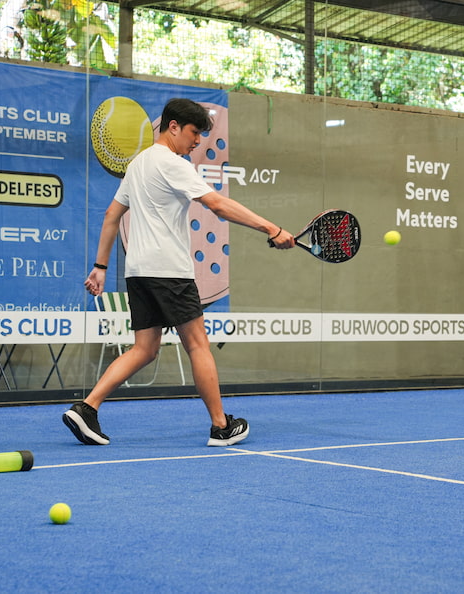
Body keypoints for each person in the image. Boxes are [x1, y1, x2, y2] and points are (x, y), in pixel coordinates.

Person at [63, 97, 295, 447]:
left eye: (201, 134)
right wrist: (272, 228)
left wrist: (100, 266)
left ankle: (87, 407)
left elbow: (112, 215)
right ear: (173, 127)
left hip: (138, 272)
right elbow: (217, 204)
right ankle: (220, 425)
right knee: (198, 343)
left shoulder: (138, 164)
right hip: (170, 271)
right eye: (194, 132)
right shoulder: (173, 163)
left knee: (145, 348)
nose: (197, 140)